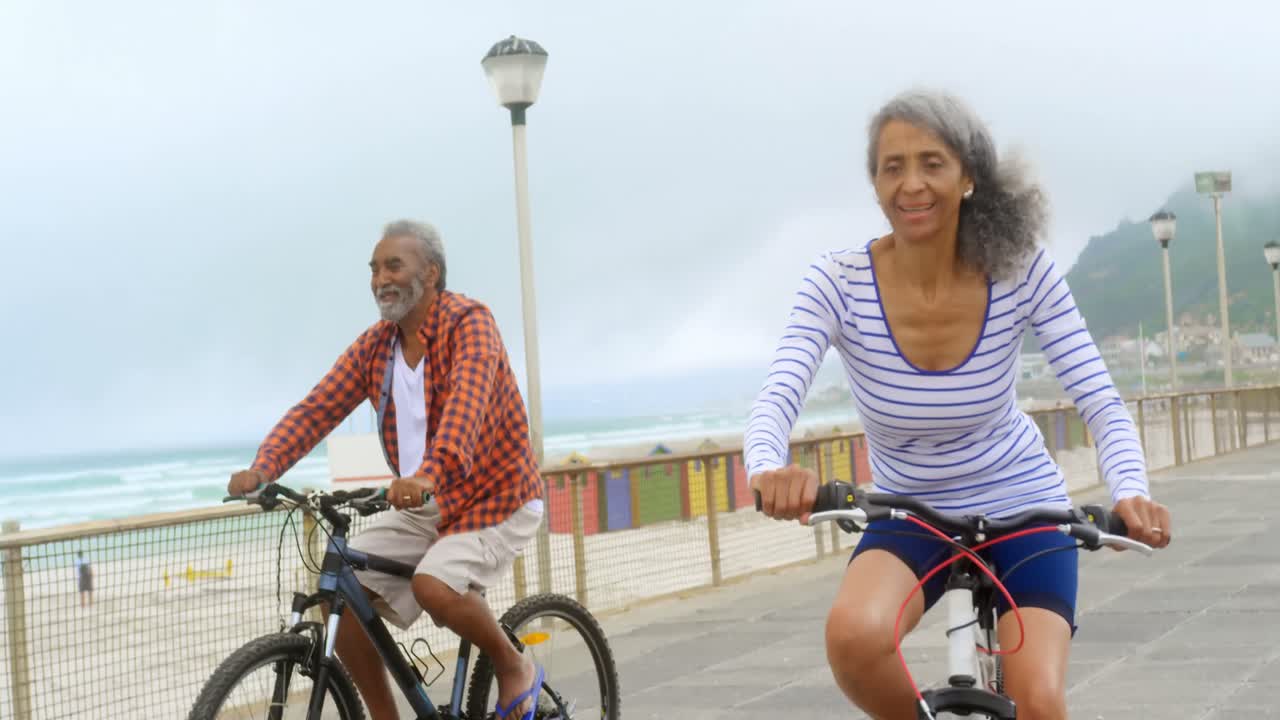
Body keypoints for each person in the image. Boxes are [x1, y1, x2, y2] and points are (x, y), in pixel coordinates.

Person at [744, 89, 1172, 720]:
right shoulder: (837, 283)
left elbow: (1099, 399)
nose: (912, 184)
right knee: (855, 640)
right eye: (892, 167)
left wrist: (1131, 491)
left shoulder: (1021, 270)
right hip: (909, 509)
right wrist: (767, 467)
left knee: (1038, 702)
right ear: (875, 184)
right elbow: (779, 391)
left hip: (1024, 506)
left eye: (932, 163)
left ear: (968, 175)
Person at [227, 220, 546, 720]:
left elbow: (465, 410)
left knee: (433, 585)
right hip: (429, 500)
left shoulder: (469, 323)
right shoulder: (377, 347)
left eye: (393, 265)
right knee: (342, 590)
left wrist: (429, 474)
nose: (380, 279)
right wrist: (263, 468)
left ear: (431, 272)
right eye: (374, 269)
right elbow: (317, 410)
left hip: (497, 497)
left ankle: (512, 664)